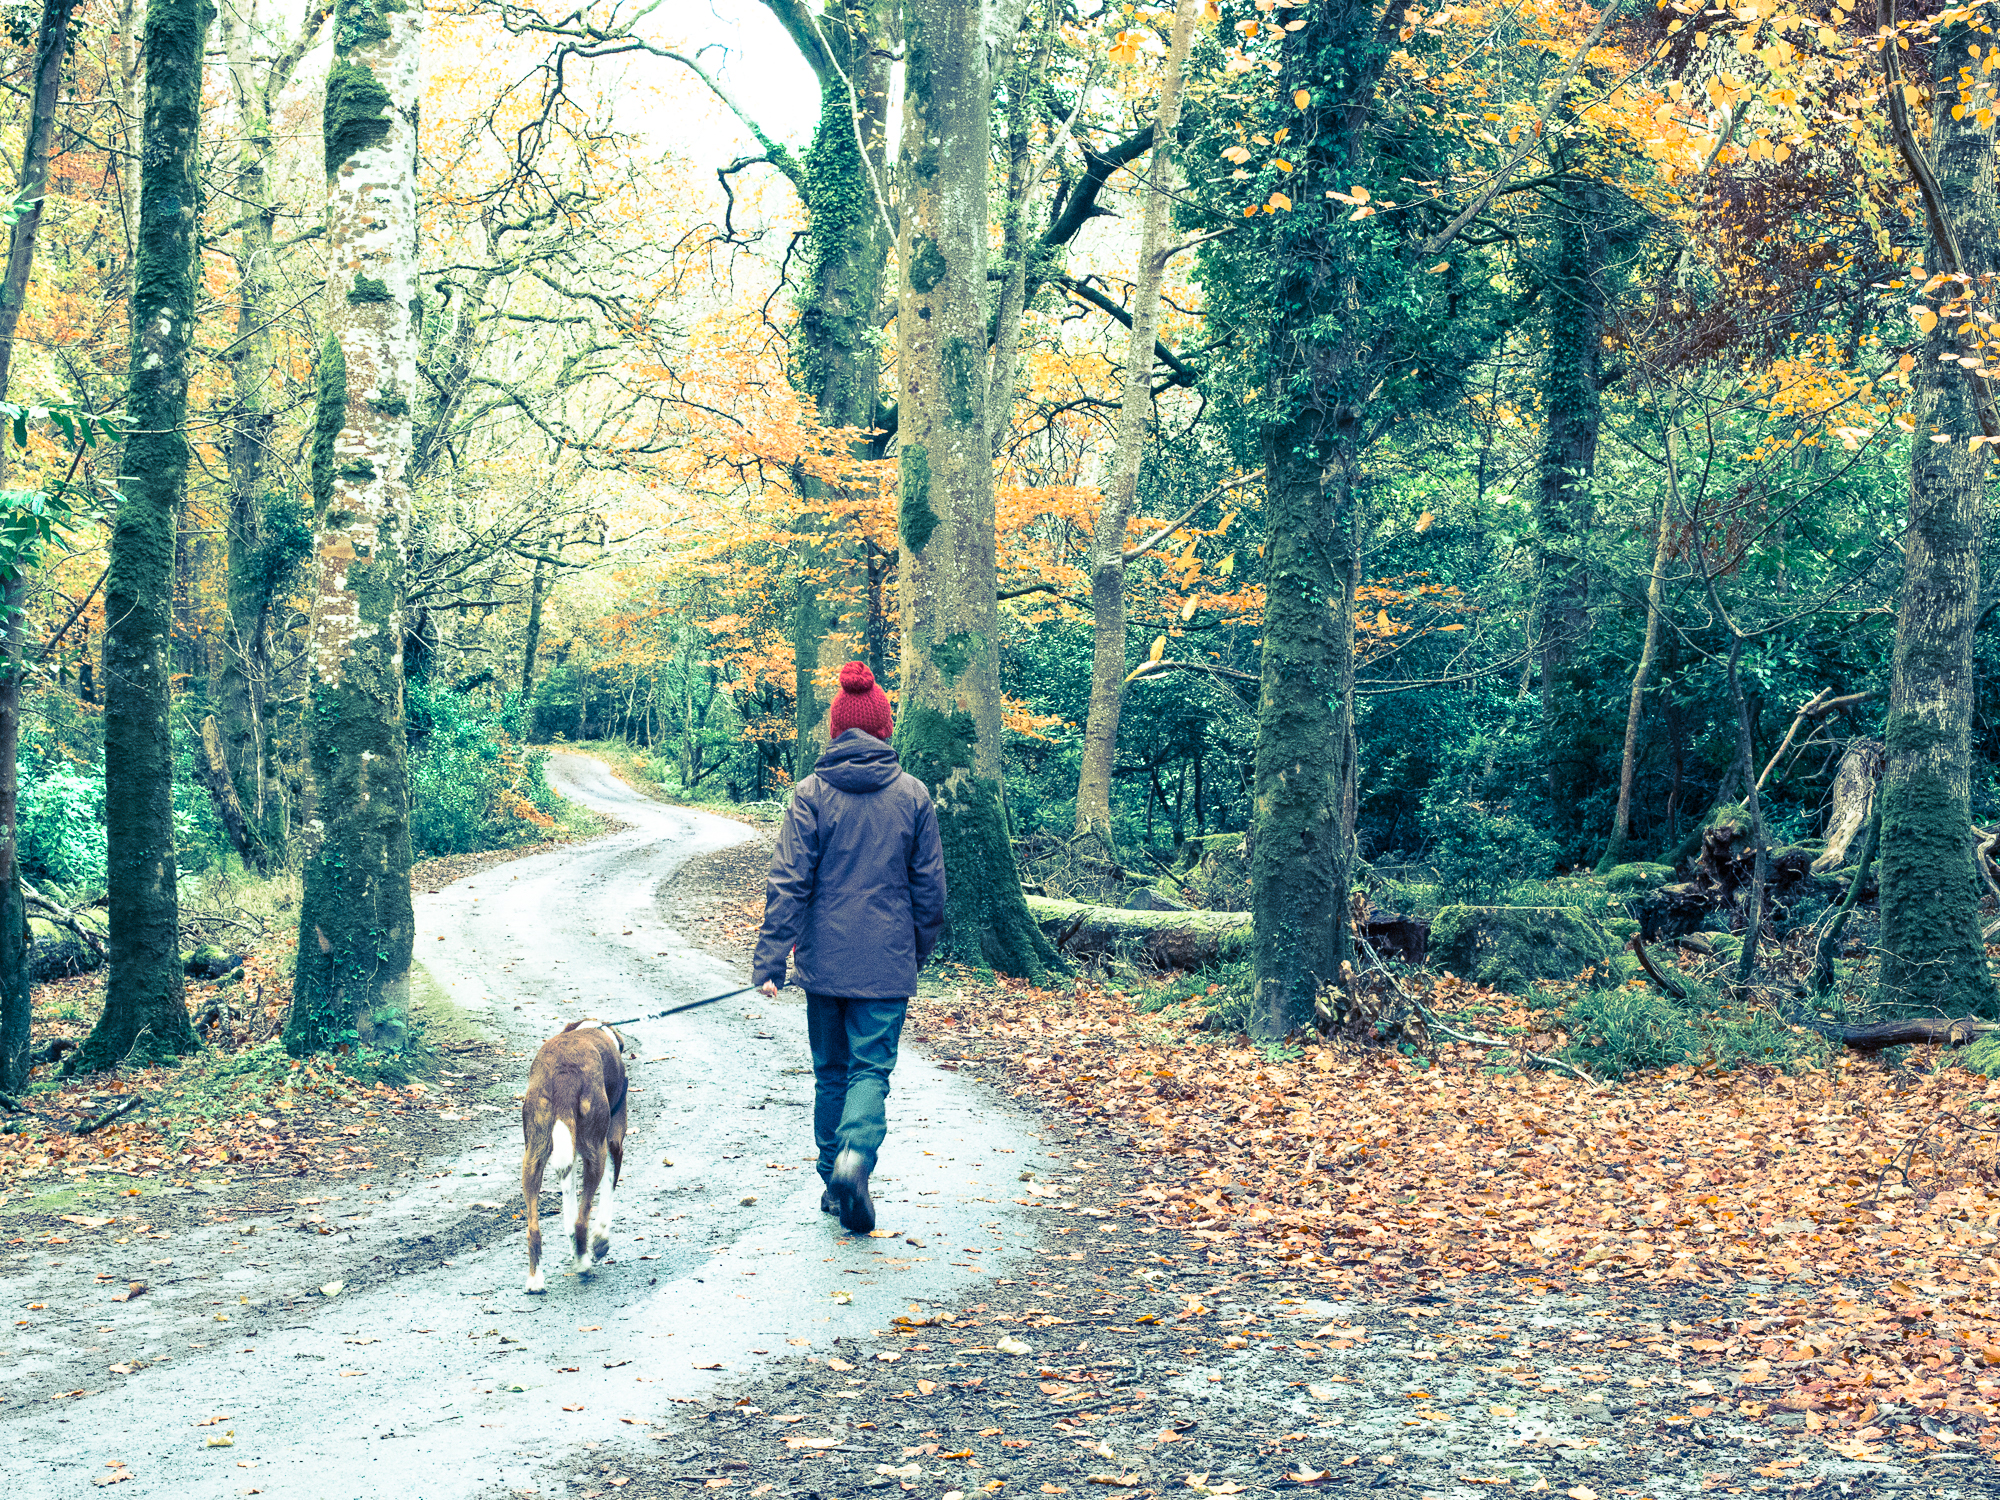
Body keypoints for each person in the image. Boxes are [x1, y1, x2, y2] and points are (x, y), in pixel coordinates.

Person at [753, 661, 946, 1233]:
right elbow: (930, 889)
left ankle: (833, 1185)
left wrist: (771, 958)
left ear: (836, 731)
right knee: (870, 1070)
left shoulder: (811, 794)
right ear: (885, 730)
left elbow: (789, 880)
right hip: (886, 962)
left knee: (831, 1071)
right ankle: (854, 1158)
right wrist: (916, 950)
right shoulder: (913, 796)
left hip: (825, 962)